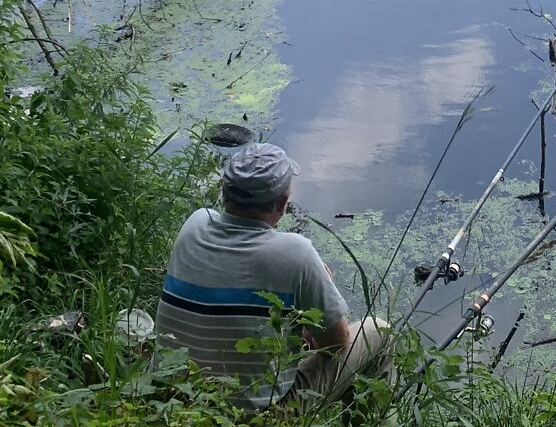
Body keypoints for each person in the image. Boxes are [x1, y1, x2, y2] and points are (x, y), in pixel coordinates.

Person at [154, 143, 390, 411]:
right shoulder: (296, 252)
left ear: (225, 192)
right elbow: (336, 344)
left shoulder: (195, 223)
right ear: (281, 204)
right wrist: (315, 288)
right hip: (256, 416)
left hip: (174, 399)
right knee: (379, 332)